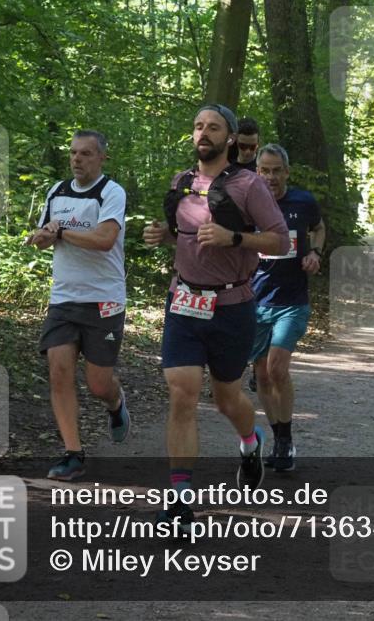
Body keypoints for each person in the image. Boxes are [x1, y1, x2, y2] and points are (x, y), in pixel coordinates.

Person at [143, 104, 289, 531]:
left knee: (227, 400)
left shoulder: (248, 185)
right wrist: (163, 235)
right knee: (182, 394)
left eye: (213, 127)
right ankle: (180, 501)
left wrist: (235, 238)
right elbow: (185, 238)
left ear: (229, 138)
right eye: (198, 126)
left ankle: (250, 442)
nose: (203, 132)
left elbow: (279, 240)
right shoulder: (182, 182)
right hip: (184, 302)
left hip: (232, 307)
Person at [26, 130, 130, 481]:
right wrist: (41, 236)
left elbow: (104, 240)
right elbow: (41, 239)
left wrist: (61, 233)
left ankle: (116, 404)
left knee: (98, 384)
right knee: (58, 373)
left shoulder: (111, 192)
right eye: (73, 153)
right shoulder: (56, 191)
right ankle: (73, 453)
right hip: (64, 298)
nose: (77, 159)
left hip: (104, 299)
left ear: (102, 158)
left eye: (86, 154)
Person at [250, 144, 325, 472]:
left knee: (277, 368)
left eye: (276, 170)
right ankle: (279, 435)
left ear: (287, 172)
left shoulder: (302, 202)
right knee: (261, 375)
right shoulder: (246, 204)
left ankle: (285, 436)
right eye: (264, 170)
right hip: (254, 302)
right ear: (257, 172)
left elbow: (319, 228)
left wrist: (316, 254)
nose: (270, 177)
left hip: (292, 301)